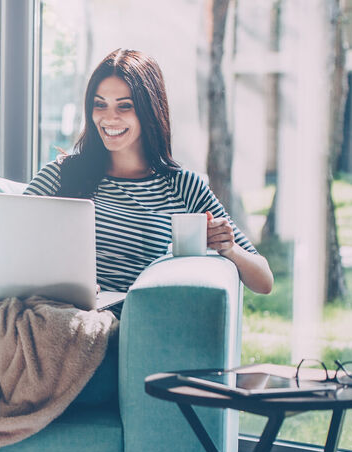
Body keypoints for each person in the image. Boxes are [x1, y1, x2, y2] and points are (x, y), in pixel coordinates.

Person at [25, 49, 273, 295]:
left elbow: (264, 281)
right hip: (56, 307)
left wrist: (229, 248)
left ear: (149, 111)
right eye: (100, 104)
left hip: (130, 322)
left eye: (125, 106)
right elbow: (7, 242)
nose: (109, 118)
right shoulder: (59, 174)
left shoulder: (184, 186)